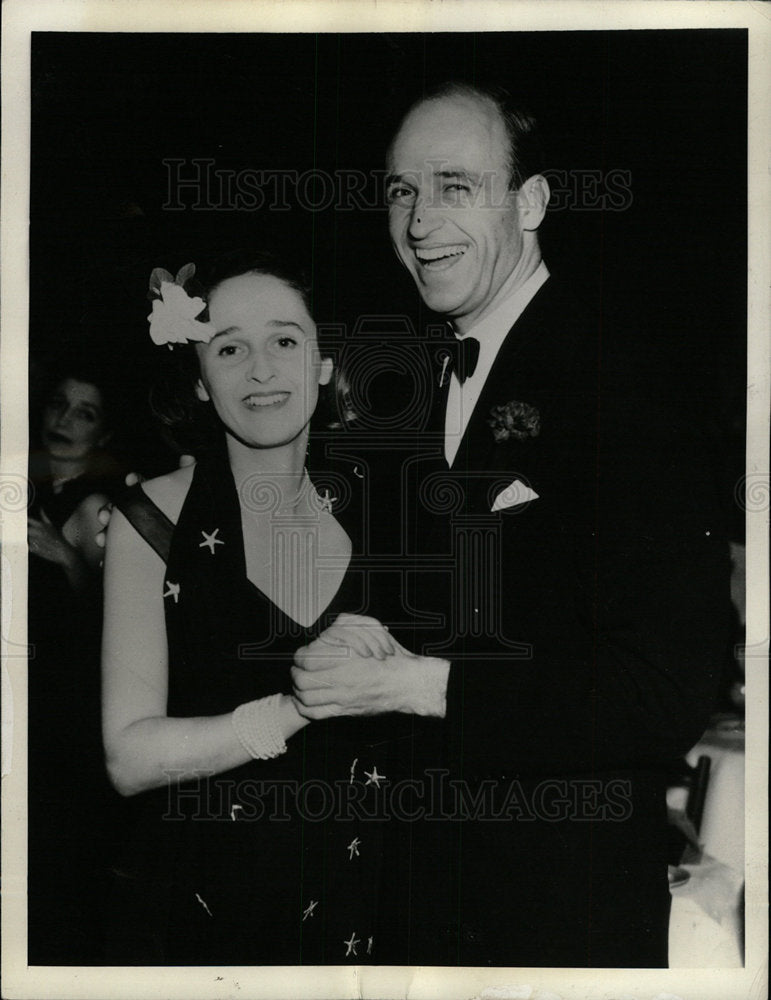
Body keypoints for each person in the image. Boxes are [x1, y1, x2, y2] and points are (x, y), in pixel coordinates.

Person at [290, 81, 731, 966]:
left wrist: (425, 685)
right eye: (401, 191)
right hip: (420, 889)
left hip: (553, 909)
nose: (418, 222)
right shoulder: (412, 380)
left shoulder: (622, 381)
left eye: (455, 186)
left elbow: (664, 688)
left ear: (530, 202)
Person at [100, 253, 445, 964]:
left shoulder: (384, 518)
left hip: (363, 905)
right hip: (207, 907)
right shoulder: (150, 518)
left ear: (321, 364)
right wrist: (301, 703)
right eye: (229, 348)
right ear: (199, 379)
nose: (260, 370)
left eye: (285, 340)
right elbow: (128, 758)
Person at [27, 362, 124, 963]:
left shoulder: (98, 507)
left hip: (67, 722)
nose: (64, 420)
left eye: (84, 412)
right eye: (60, 404)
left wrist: (67, 557)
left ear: (104, 435)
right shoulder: (24, 482)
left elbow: (115, 624)